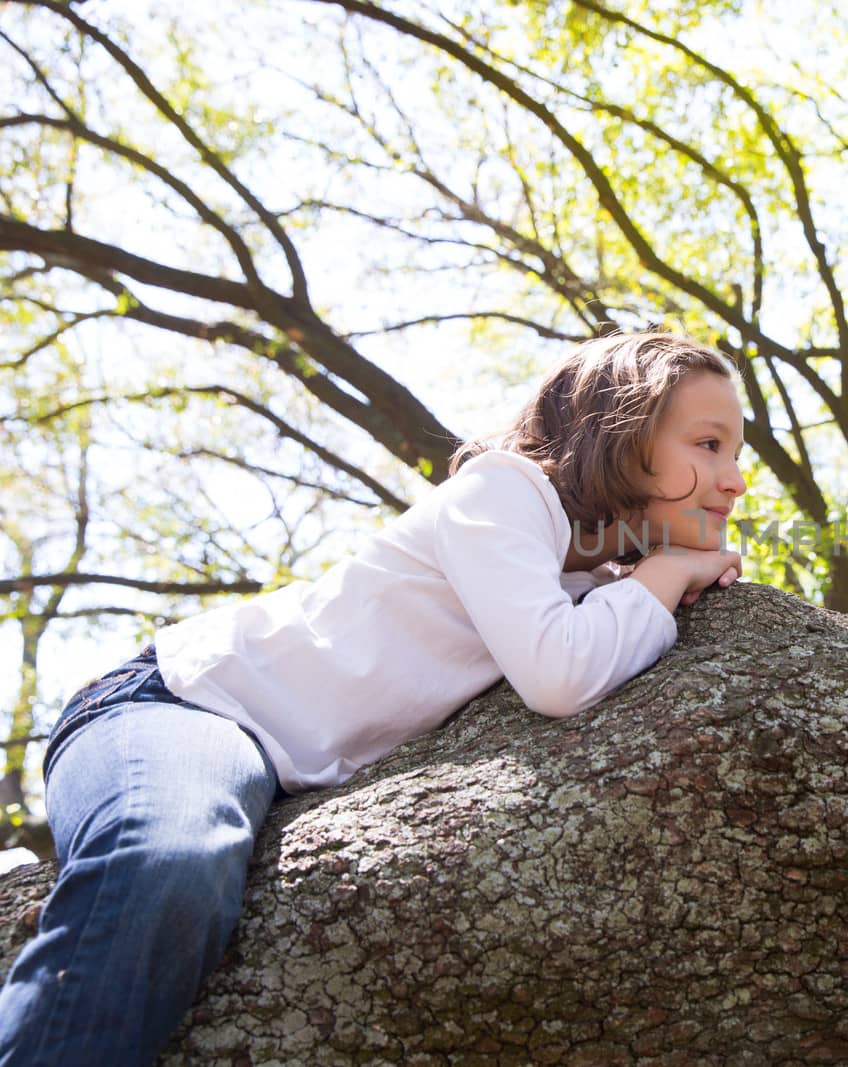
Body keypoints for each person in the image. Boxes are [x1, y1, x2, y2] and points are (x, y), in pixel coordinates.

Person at [0, 331, 748, 1065]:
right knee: (166, 860)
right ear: (617, 431)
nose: (736, 478)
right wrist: (667, 574)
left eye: (737, 452)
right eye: (708, 444)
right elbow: (558, 674)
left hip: (278, 770)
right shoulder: (503, 491)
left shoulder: (590, 580)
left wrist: (652, 576)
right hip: (180, 705)